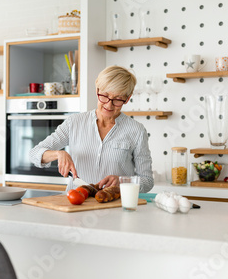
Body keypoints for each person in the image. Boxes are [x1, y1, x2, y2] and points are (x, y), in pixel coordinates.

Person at [29, 65, 153, 193]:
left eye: (117, 99)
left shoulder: (137, 131)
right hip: (76, 202)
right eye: (104, 95)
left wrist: (121, 182)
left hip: (114, 205)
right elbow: (33, 154)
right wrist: (58, 154)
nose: (108, 105)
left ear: (127, 98)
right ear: (97, 90)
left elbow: (147, 181)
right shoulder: (74, 122)